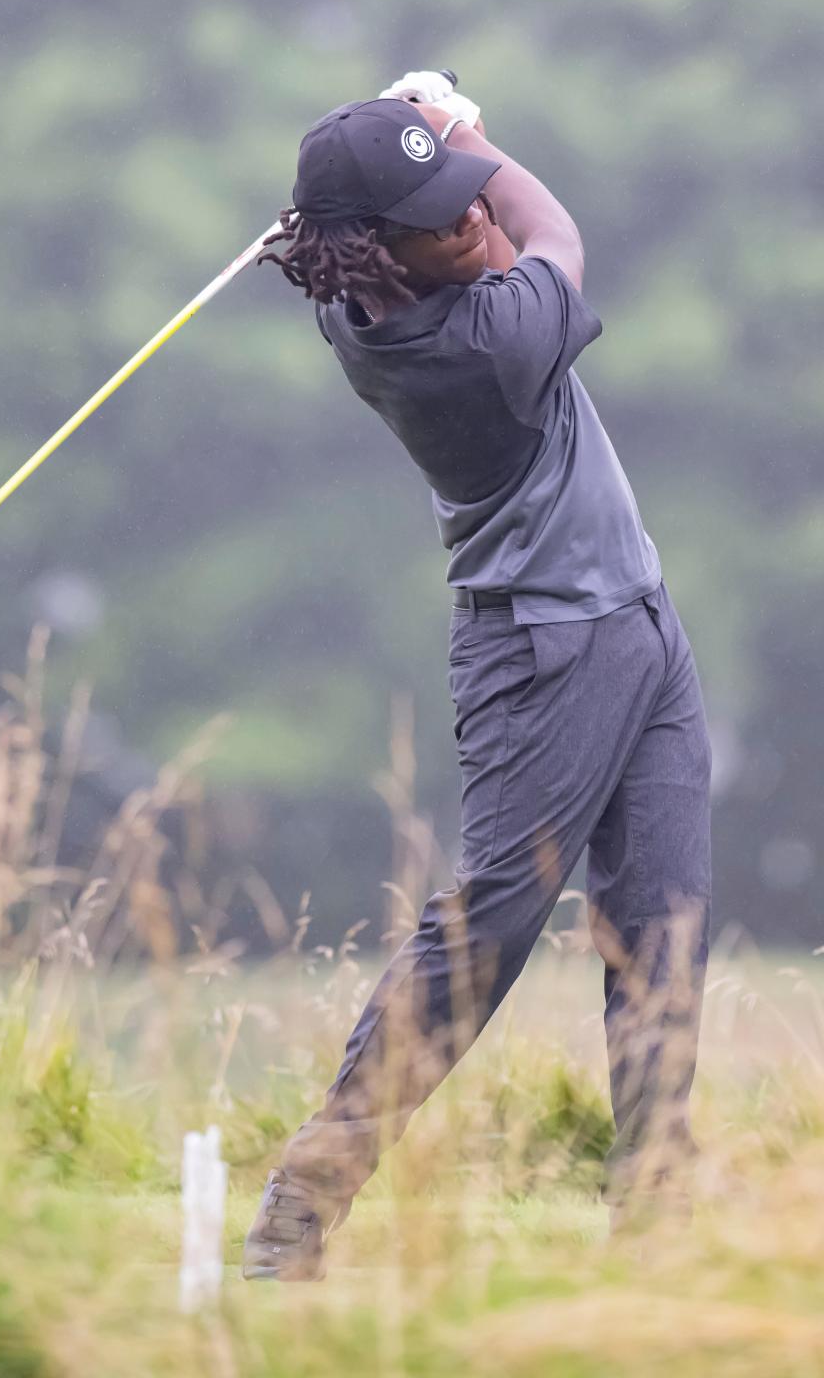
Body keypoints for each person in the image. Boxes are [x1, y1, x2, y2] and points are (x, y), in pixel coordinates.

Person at [242, 71, 712, 1282]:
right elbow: (552, 230)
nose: (467, 217)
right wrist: (470, 135)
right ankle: (305, 1199)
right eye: (436, 211)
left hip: (639, 622)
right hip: (544, 650)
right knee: (492, 927)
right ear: (374, 254)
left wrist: (415, 154)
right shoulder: (471, 345)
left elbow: (464, 230)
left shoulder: (378, 285)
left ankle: (655, 1226)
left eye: (459, 198)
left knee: (664, 930)